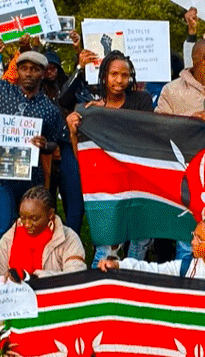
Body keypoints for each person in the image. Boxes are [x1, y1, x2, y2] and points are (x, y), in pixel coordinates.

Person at [0, 40, 80, 271]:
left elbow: (55, 142)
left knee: (29, 231)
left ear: (43, 73)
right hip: (2, 176)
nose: (28, 73)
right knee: (1, 227)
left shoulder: (49, 108)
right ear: (18, 69)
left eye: (34, 69)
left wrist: (45, 144)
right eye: (24, 68)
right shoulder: (1, 90)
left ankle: (25, 275)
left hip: (30, 179)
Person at [63, 50, 155, 265]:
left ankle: (131, 285)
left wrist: (105, 114)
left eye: (124, 75)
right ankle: (101, 288)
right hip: (107, 189)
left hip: (138, 183)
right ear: (104, 75)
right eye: (114, 74)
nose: (119, 80)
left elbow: (150, 133)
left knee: (140, 242)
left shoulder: (141, 101)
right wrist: (74, 132)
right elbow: (82, 159)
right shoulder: (89, 111)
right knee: (107, 248)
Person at [100, 217, 205, 291]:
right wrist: (119, 264)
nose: (193, 242)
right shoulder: (186, 266)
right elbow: (152, 270)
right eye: (194, 236)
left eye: (200, 239)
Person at [0, 186, 87, 281]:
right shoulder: (8, 239)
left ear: (50, 214)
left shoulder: (68, 238)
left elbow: (76, 276)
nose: (27, 224)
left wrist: (32, 278)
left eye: (34, 219)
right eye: (23, 217)